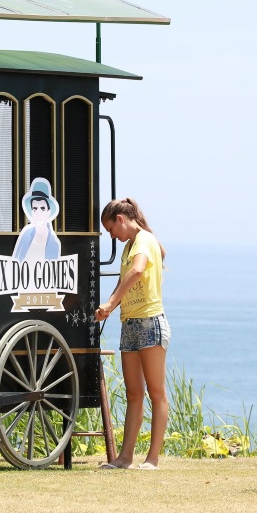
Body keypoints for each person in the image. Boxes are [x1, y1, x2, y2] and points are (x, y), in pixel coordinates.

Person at [94, 197, 169, 470]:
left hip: (150, 322)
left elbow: (137, 271)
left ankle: (152, 459)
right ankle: (125, 458)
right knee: (134, 394)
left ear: (121, 219)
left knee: (156, 393)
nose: (111, 235)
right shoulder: (129, 247)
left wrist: (110, 303)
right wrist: (110, 307)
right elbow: (123, 280)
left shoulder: (145, 240)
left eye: (110, 229)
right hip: (130, 324)